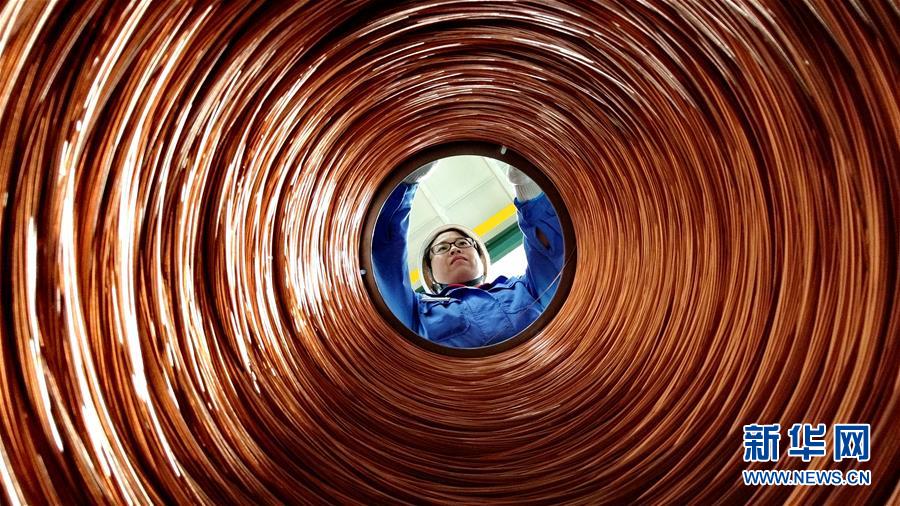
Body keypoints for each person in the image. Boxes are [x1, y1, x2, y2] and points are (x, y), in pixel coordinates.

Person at [372, 161, 564, 348]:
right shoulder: (414, 312)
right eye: (442, 248)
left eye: (463, 243)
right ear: (429, 274)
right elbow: (385, 256)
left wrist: (527, 189)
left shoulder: (525, 288)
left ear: (481, 259)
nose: (454, 249)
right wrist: (406, 183)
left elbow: (553, 253)